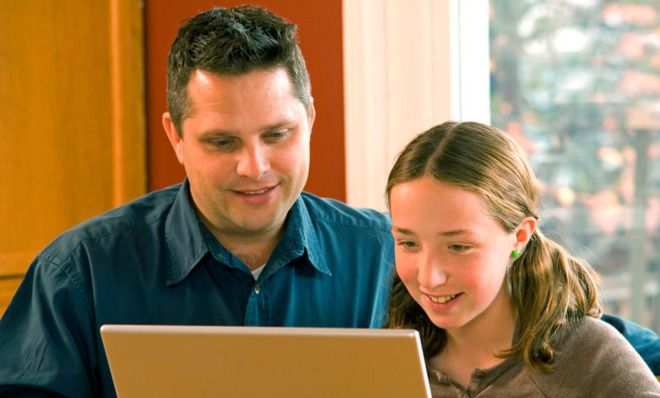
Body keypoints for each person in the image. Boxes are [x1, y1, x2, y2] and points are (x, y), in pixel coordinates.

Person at [0, 6, 393, 397]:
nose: (254, 167)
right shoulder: (78, 271)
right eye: (223, 142)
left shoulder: (388, 257)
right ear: (176, 137)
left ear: (308, 120)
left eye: (276, 135)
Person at [384, 121, 660, 396]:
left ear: (519, 237)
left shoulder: (592, 358)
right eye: (409, 243)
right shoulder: (384, 363)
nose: (429, 277)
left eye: (458, 246)